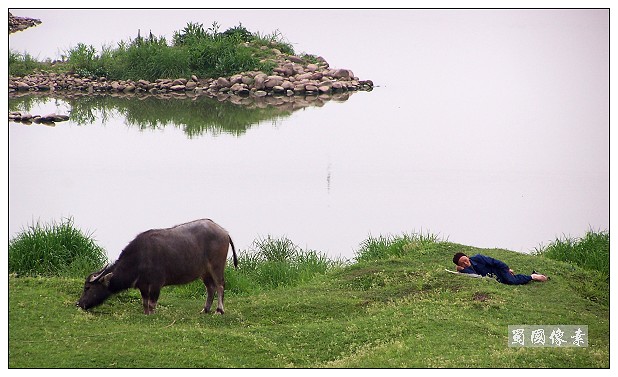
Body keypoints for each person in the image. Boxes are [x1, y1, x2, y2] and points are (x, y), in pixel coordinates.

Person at [452, 252, 548, 285]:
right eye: (462, 263)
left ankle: (533, 276)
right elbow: (474, 275)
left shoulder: (478, 258)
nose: (465, 263)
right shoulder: (466, 269)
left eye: (465, 259)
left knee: (512, 281)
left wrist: (506, 268)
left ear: (467, 256)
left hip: (499, 271)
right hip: (494, 278)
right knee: (510, 281)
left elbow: (493, 261)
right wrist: (461, 269)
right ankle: (530, 276)